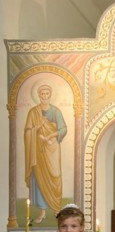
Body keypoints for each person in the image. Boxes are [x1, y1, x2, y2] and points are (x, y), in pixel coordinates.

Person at [24, 84, 67, 224]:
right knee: (39, 178)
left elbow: (63, 129)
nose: (44, 96)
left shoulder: (56, 111)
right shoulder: (33, 112)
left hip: (52, 148)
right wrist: (37, 127)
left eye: (47, 94)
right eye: (42, 94)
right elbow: (28, 131)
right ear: (38, 95)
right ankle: (42, 212)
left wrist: (50, 135)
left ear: (50, 95)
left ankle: (56, 208)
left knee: (55, 175)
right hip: (38, 150)